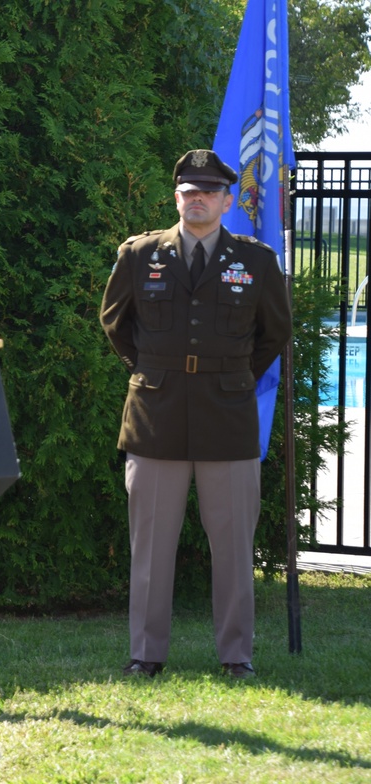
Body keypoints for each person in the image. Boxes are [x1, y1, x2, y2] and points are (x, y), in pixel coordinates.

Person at [99, 149, 292, 680]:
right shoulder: (140, 255)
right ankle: (146, 653)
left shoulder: (255, 261)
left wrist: (233, 374)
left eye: (208, 192)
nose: (197, 200)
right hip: (155, 414)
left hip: (227, 415)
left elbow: (275, 332)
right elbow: (115, 321)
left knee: (232, 546)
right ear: (177, 197)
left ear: (228, 200)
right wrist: (151, 367)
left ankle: (236, 656)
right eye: (188, 192)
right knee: (152, 545)